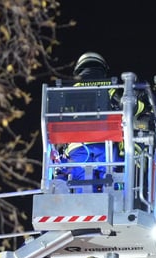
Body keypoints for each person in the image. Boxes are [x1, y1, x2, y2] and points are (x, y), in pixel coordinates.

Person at [61, 52, 118, 192]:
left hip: (77, 147)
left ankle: (82, 204)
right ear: (102, 68)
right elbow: (126, 107)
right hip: (105, 145)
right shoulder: (110, 87)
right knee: (110, 179)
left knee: (82, 182)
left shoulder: (67, 90)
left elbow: (60, 119)